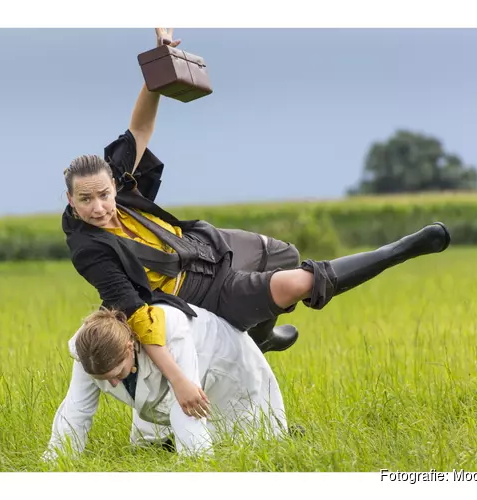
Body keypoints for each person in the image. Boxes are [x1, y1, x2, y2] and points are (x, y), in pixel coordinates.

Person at [61, 28, 451, 419]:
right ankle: (401, 250)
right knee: (298, 282)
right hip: (196, 290)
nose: (98, 207)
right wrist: (179, 379)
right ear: (70, 199)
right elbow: (136, 313)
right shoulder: (89, 251)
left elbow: (140, 129)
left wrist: (156, 70)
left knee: (284, 254)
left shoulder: (112, 173)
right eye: (85, 200)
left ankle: (260, 335)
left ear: (114, 184)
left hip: (201, 244)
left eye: (104, 195)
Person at [44, 304, 289, 460]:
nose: (114, 384)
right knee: (149, 449)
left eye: (117, 373)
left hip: (227, 365)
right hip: (171, 379)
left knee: (251, 443)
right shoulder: (88, 351)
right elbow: (77, 409)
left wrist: (195, 465)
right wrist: (57, 460)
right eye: (105, 380)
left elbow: (188, 402)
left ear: (130, 347)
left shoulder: (168, 327)